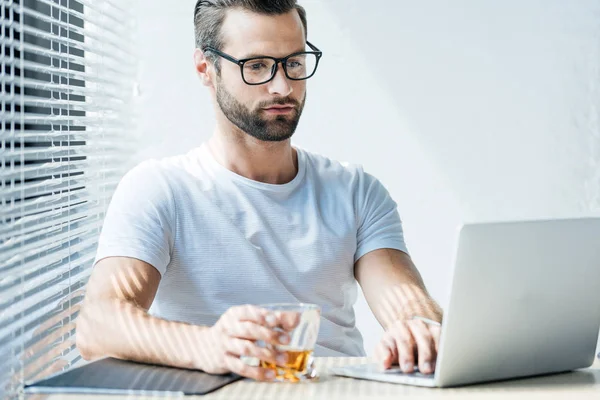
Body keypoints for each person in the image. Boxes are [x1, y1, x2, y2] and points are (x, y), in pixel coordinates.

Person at [76, 0, 443, 382]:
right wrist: (208, 345)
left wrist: (417, 328)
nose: (282, 86)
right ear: (206, 69)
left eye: (294, 63)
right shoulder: (159, 190)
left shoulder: (355, 191)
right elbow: (98, 324)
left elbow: (404, 298)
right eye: (257, 66)